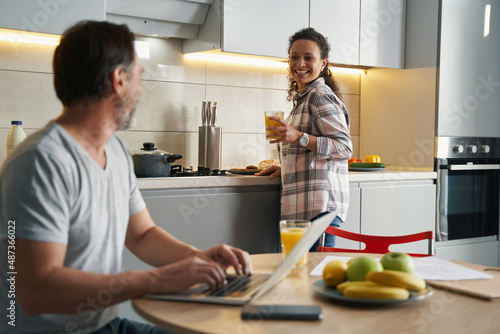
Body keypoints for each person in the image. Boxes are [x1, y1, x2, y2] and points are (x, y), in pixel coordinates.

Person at [0, 21, 252, 334]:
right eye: (140, 78)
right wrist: (156, 280)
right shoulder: (42, 162)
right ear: (119, 79)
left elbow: (141, 234)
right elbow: (36, 291)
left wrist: (198, 258)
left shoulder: (115, 151)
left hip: (104, 324)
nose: (140, 90)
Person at [257, 27, 352, 251]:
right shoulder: (305, 97)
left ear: (323, 63)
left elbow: (344, 148)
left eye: (309, 58)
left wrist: (298, 137)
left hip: (319, 210)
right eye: (294, 57)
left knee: (308, 279)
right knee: (301, 280)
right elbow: (313, 151)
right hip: (305, 209)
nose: (300, 64)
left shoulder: (320, 96)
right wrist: (288, 166)